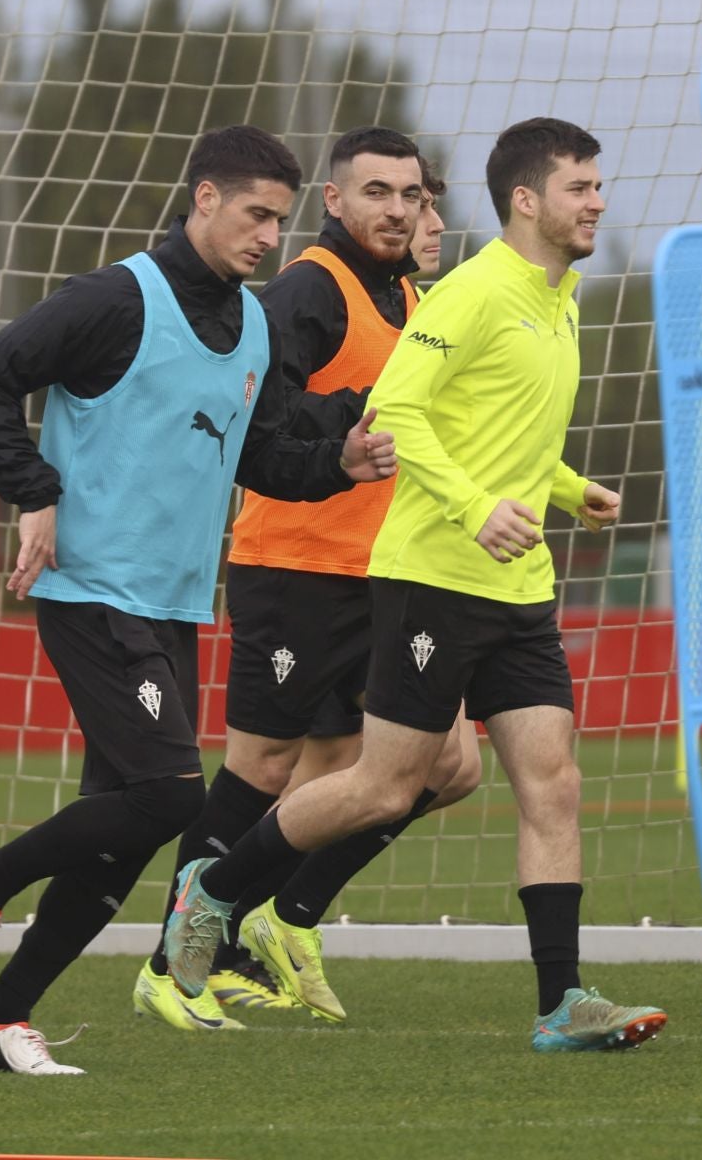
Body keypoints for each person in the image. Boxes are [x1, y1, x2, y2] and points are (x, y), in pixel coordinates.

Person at [160, 117, 666, 1052]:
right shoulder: (469, 294)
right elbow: (400, 413)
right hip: (430, 579)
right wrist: (475, 508)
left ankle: (562, 1005)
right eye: (581, 189)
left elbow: (504, 426)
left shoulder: (565, 295)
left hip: (520, 586)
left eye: (599, 188)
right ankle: (219, 892)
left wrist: (564, 486)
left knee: (550, 785)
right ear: (527, 199)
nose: (599, 203)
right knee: (386, 787)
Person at [0, 125, 397, 1074]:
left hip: (179, 602)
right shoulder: (117, 297)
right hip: (92, 588)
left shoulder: (255, 325)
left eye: (280, 219)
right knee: (170, 793)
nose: (270, 236)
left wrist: (338, 465)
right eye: (254, 214)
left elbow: (262, 455)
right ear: (204, 199)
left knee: (127, 828)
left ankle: (0, 1022)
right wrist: (35, 491)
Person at [129, 131, 480, 1029]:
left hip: (385, 572)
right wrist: (342, 440)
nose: (398, 209)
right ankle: (174, 960)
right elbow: (256, 427)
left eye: (411, 194)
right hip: (293, 568)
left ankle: (281, 916)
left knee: (445, 763)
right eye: (378, 192)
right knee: (263, 764)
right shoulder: (307, 290)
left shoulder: (406, 294)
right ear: (335, 199)